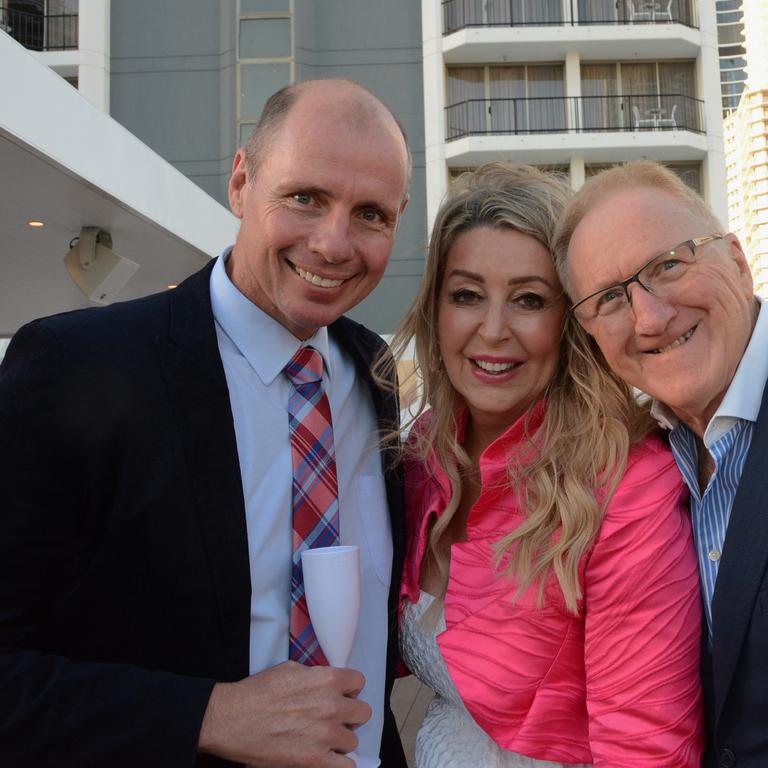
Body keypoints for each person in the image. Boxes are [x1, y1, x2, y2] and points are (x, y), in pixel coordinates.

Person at [0, 79, 410, 768]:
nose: (335, 244)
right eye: (306, 198)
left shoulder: (372, 372)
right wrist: (205, 714)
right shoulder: (73, 366)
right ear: (243, 182)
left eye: (371, 214)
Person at [385, 163, 704, 767]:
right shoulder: (425, 453)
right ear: (436, 308)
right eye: (467, 295)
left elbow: (647, 746)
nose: (494, 329)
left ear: (571, 322)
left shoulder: (628, 484)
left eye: (529, 299)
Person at [553, 159, 768, 768]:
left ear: (736, 257)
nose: (649, 317)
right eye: (610, 299)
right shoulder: (646, 457)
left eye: (668, 265)